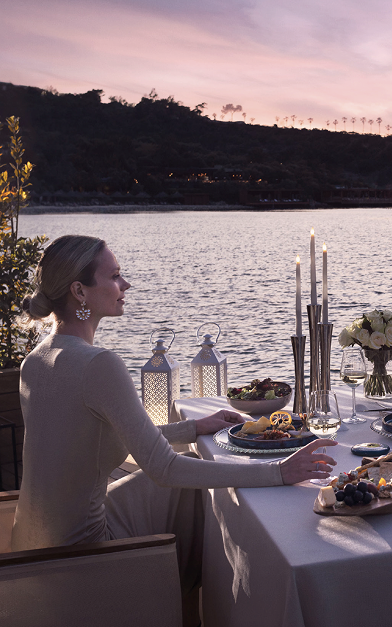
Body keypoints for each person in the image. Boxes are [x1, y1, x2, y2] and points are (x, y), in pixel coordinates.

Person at [11, 234, 337, 626]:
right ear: (79, 291)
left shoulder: (37, 359)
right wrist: (278, 472)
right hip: (82, 557)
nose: (126, 284)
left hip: (29, 552)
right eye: (114, 276)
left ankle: (196, 605)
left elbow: (94, 439)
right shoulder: (98, 365)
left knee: (190, 469)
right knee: (191, 489)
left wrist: (192, 427)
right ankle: (219, 605)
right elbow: (164, 469)